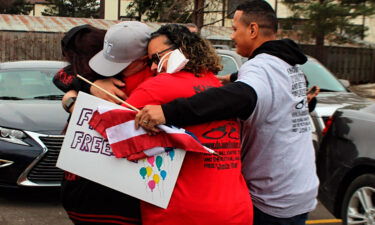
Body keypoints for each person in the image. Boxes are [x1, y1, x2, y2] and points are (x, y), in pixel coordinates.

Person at [134, 1, 319, 225]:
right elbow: (282, 96)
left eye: (234, 28)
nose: (232, 36)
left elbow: (240, 97)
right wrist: (232, 78)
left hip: (271, 194)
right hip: (302, 188)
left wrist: (167, 111)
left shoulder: (260, 67)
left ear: (252, 30)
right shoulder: (290, 65)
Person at [123, 24, 253, 225]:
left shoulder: (157, 87)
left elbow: (110, 130)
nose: (151, 67)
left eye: (156, 59)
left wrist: (73, 95)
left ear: (180, 50)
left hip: (181, 213)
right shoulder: (215, 84)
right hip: (236, 210)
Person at [54, 21, 153, 225]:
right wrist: (87, 88)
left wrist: (75, 96)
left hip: (107, 190)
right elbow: (60, 77)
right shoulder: (91, 78)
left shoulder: (148, 81)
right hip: (104, 188)